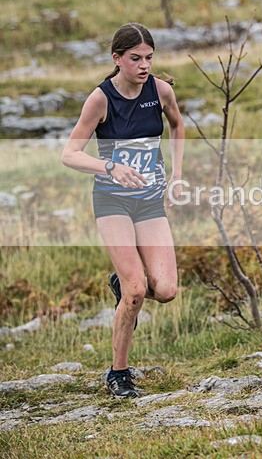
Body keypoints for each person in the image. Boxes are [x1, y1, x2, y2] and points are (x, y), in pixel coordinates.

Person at [62, 22, 184, 397]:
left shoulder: (160, 91)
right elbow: (69, 154)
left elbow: (177, 126)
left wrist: (177, 174)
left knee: (164, 290)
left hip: (149, 201)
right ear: (117, 59)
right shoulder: (100, 99)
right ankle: (118, 373)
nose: (144, 65)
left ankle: (124, 282)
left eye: (149, 58)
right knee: (135, 291)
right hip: (112, 200)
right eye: (135, 59)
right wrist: (111, 166)